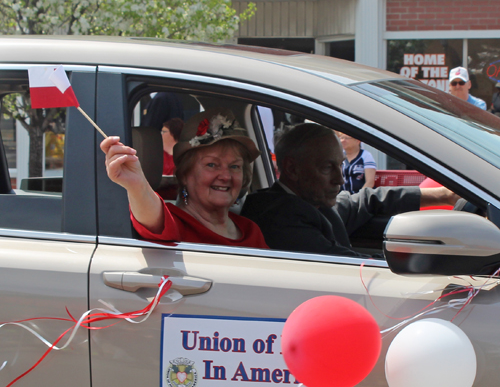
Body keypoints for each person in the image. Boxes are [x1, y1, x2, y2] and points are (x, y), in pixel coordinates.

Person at [241, 123, 459, 258]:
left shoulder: (310, 201)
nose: (340, 178)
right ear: (291, 168)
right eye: (327, 167)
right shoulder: (279, 216)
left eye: (340, 165)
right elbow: (344, 262)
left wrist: (443, 195)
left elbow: (367, 200)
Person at [101, 109, 268, 248]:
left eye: (234, 166)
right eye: (211, 165)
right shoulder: (174, 222)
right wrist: (137, 184)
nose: (225, 176)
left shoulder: (250, 230)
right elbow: (151, 217)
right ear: (185, 174)